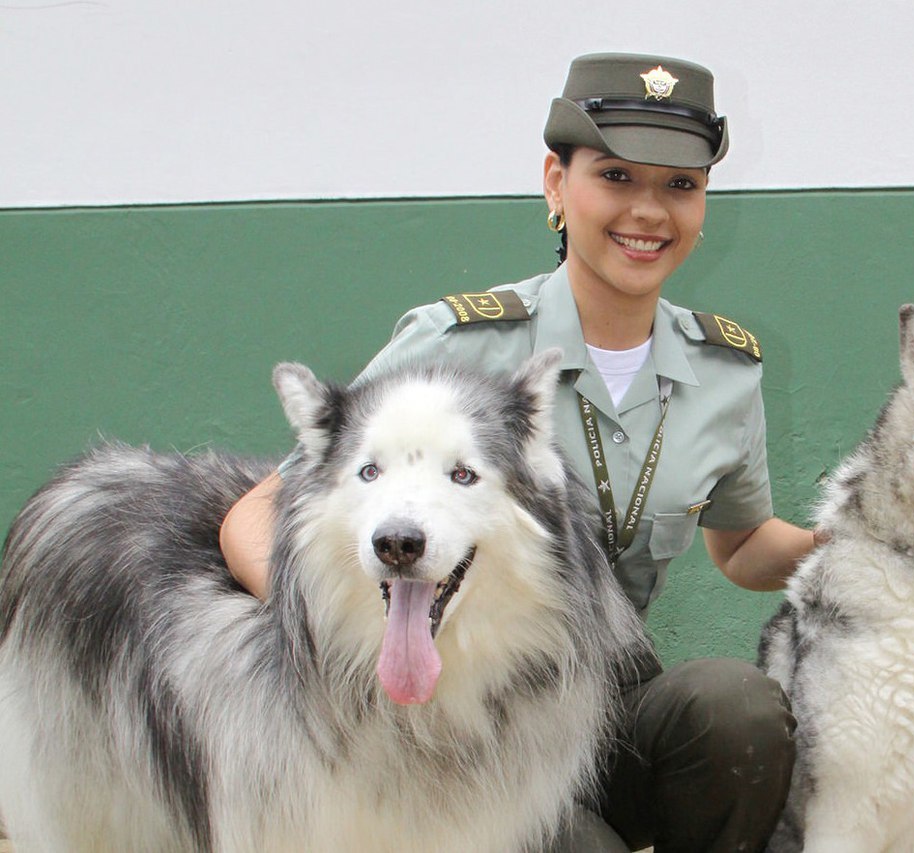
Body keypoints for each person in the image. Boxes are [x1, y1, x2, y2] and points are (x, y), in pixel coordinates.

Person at [220, 52, 815, 852]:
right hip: (477, 715)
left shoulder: (724, 368)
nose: (649, 211)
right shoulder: (454, 343)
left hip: (610, 690)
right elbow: (260, 513)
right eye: (615, 176)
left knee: (737, 710)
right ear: (555, 183)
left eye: (680, 185)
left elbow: (741, 544)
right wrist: (345, 633)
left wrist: (858, 542)